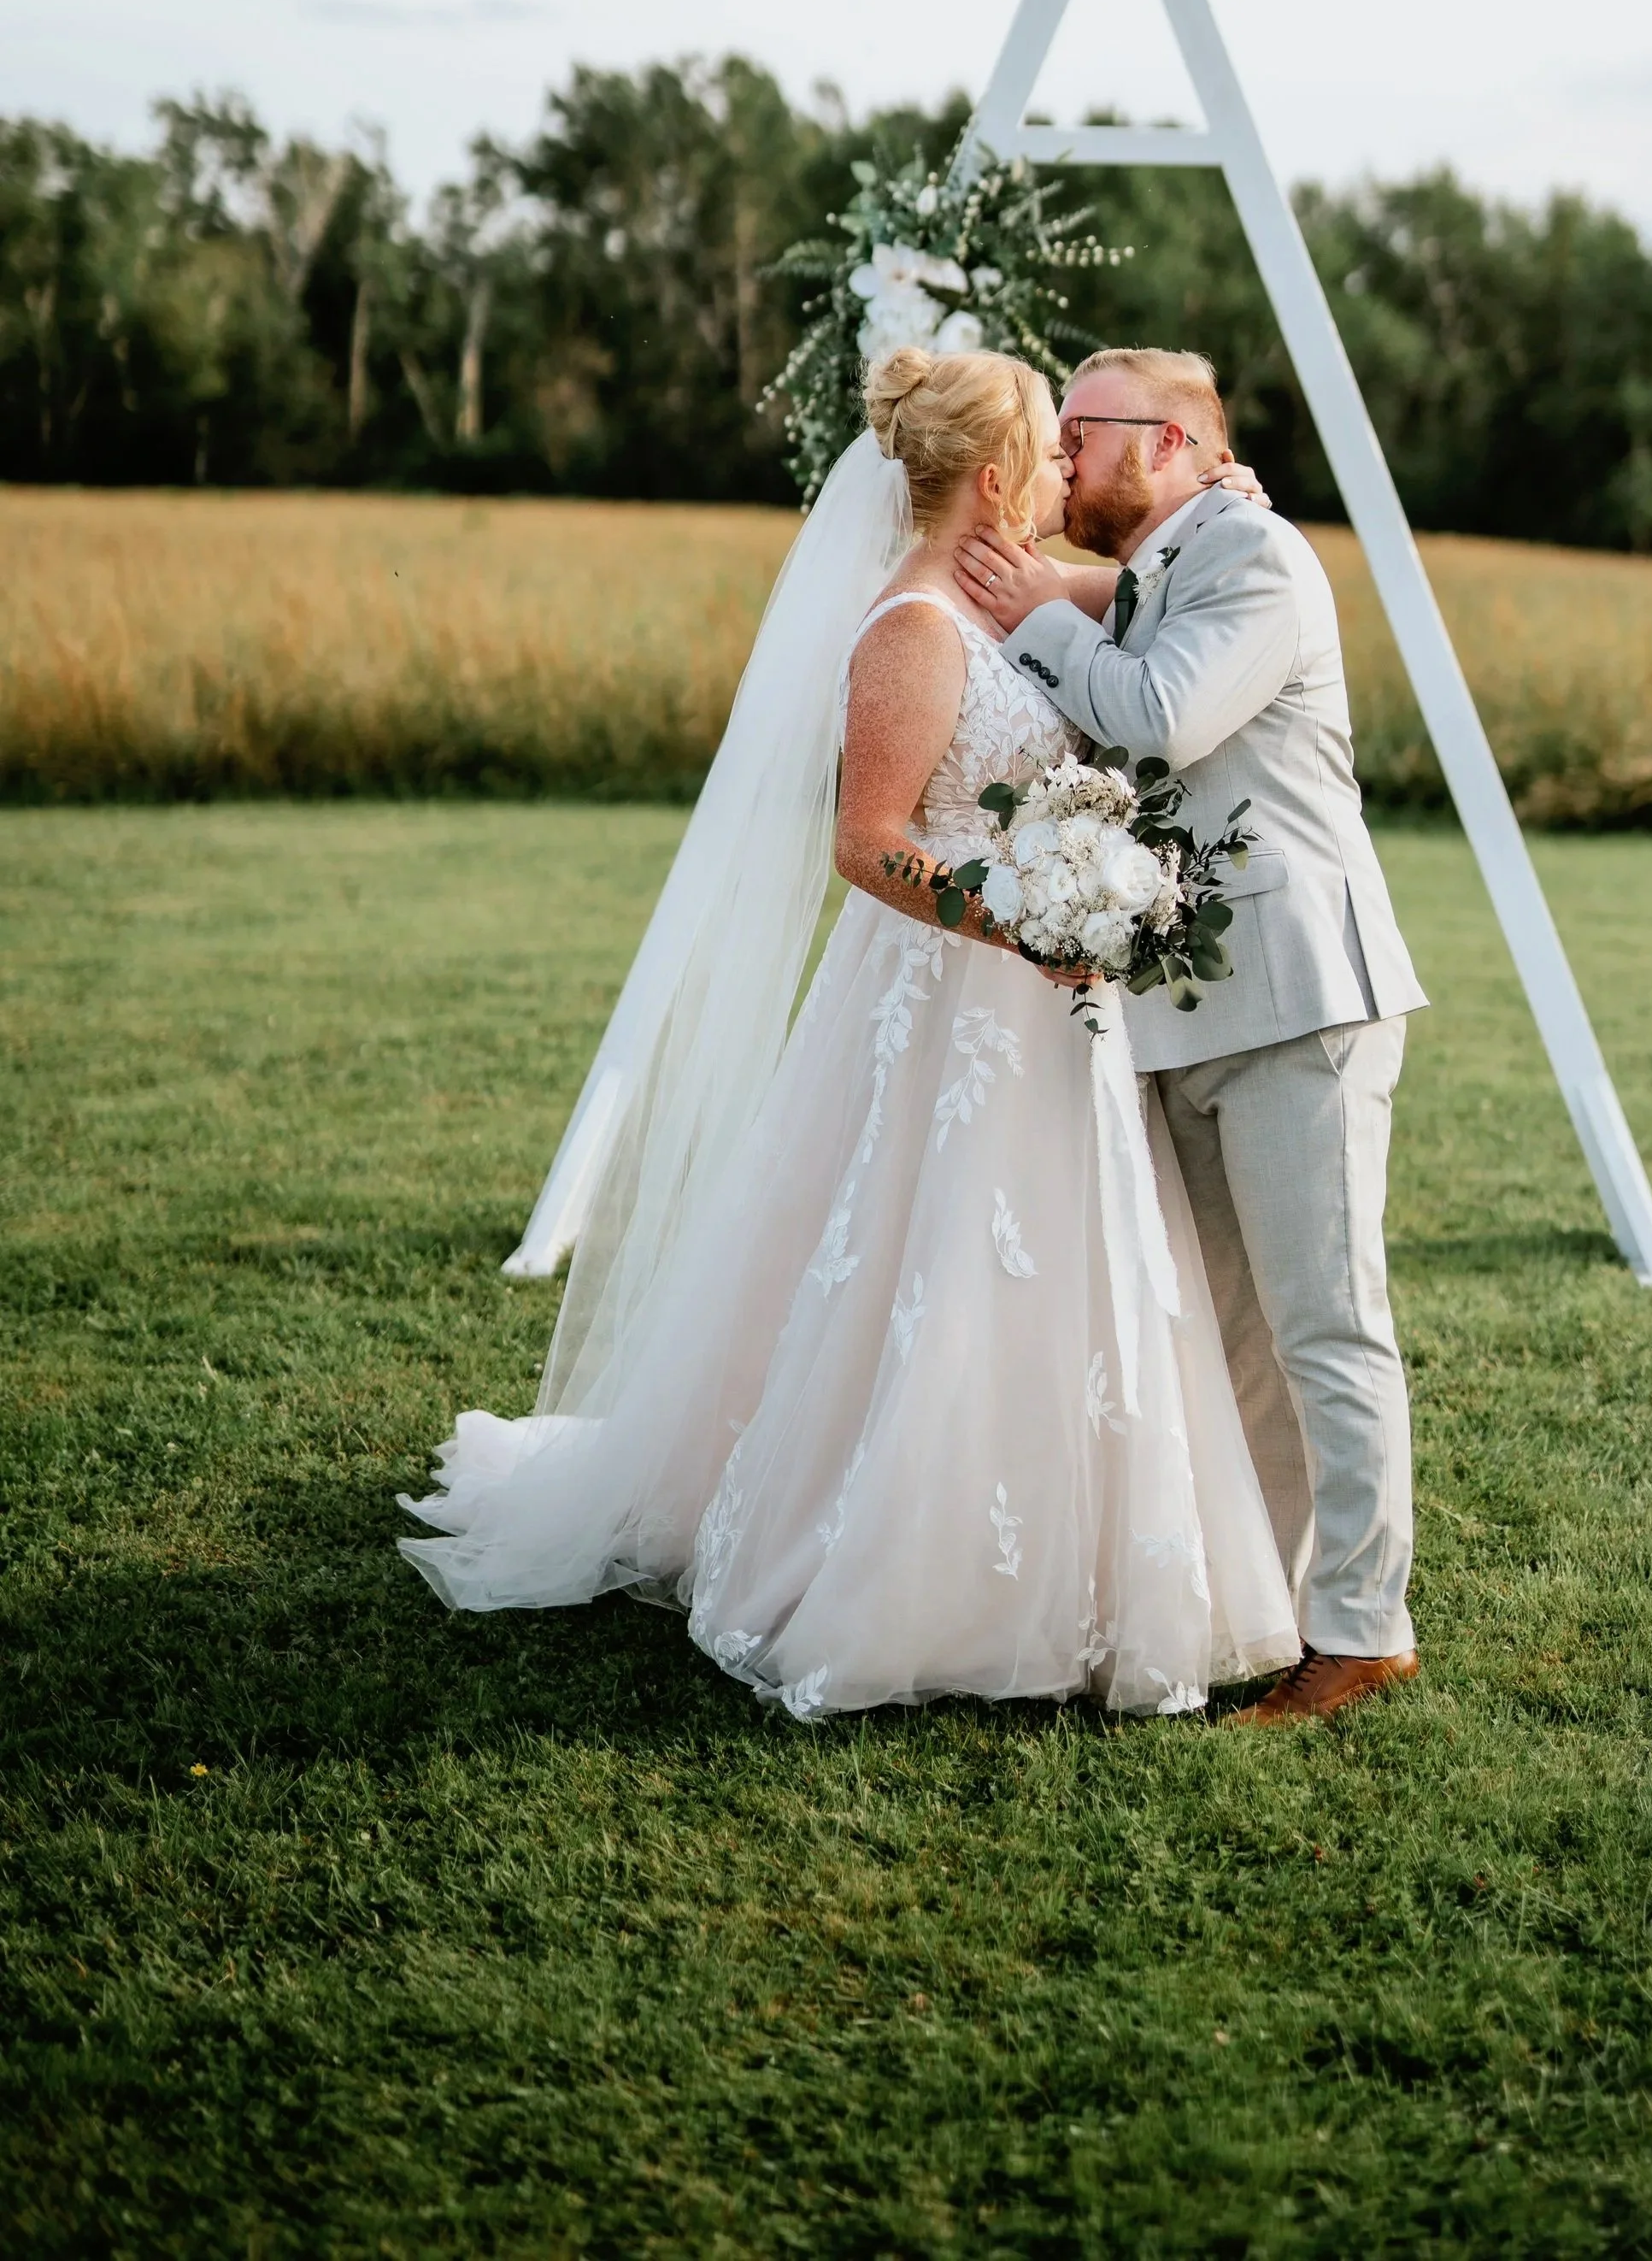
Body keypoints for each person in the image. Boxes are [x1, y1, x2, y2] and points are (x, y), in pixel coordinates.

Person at [400, 346, 1300, 1719]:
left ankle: (1083, 1571)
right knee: (914, 1265)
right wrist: (1027, 919)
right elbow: (868, 843)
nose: (1069, 471)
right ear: (994, 481)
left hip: (1049, 1014)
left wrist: (1221, 489)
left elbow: (1168, 594)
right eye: (1049, 455)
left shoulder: (1003, 609)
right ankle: (903, 1565)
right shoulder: (914, 630)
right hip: (951, 1005)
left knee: (1062, 1280)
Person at [953, 347, 1427, 1727]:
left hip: (1298, 1002)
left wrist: (1039, 609)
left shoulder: (1261, 559)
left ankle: (1366, 1629)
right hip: (1188, 1010)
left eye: (1079, 433)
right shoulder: (1180, 553)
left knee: (1327, 1323)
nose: (1062, 459)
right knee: (1235, 1336)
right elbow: (1135, 615)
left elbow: (1158, 715)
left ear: (1161, 444)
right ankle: (1279, 1611)